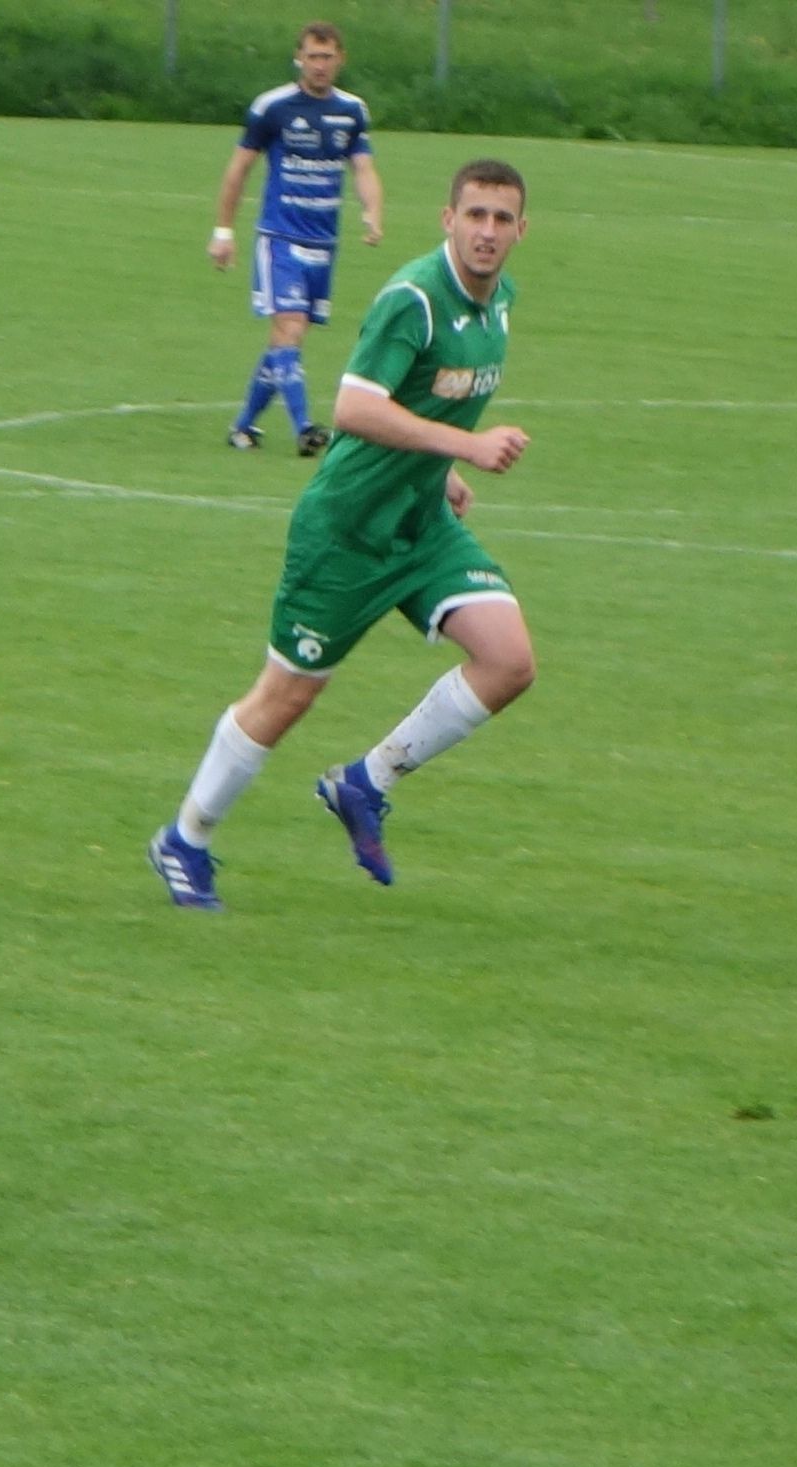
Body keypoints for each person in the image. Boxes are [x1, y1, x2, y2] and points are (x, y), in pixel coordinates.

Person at [153, 160, 535, 911]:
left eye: (501, 218)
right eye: (475, 215)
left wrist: (438, 471)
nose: (487, 232)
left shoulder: (500, 303)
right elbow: (355, 407)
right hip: (346, 533)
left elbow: (429, 399)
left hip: (419, 524)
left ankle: (364, 782)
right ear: (448, 219)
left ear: (522, 229)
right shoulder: (414, 300)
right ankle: (184, 839)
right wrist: (464, 447)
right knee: (285, 697)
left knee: (509, 661)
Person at [207, 21, 383, 457]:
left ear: (340, 59)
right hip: (279, 238)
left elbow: (363, 168)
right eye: (312, 56)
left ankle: (243, 427)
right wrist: (223, 231)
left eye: (327, 57)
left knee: (286, 340)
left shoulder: (352, 111)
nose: (320, 65)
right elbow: (239, 169)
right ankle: (304, 427)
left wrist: (372, 213)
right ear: (298, 58)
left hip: (324, 244)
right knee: (289, 327)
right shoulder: (273, 107)